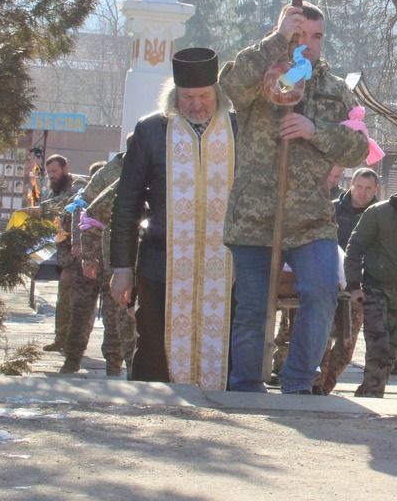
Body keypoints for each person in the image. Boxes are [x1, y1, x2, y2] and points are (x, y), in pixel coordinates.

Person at [220, 4, 368, 394]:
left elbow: (358, 148)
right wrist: (275, 42)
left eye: (316, 36)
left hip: (310, 219)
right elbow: (231, 88)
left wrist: (314, 129)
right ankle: (245, 386)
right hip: (255, 216)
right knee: (253, 307)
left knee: (321, 293)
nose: (310, 44)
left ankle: (299, 383)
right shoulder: (261, 75)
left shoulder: (335, 89)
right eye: (300, 34)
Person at [109, 48, 237, 388]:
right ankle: (150, 422)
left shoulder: (237, 129)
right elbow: (127, 203)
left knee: (224, 347)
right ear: (174, 94)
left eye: (203, 96)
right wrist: (121, 268)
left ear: (217, 93)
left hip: (224, 268)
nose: (195, 105)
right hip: (160, 263)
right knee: (153, 347)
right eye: (187, 97)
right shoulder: (151, 130)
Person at [344, 183, 397, 397]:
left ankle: (368, 389)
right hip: (375, 287)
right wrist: (354, 286)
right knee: (378, 344)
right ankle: (373, 394)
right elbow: (355, 247)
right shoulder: (378, 212)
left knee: (392, 350)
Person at [60, 156, 136, 376]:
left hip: (118, 256)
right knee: (82, 309)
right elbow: (82, 208)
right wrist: (80, 247)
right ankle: (72, 360)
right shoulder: (108, 175)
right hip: (95, 249)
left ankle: (115, 366)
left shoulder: (144, 169)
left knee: (116, 312)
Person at [313, 167, 379, 393]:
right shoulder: (331, 209)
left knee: (346, 342)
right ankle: (316, 382)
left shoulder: (379, 214)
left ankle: (328, 383)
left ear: (375, 189)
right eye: (359, 186)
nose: (362, 193)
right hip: (328, 280)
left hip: (357, 288)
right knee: (321, 336)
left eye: (368, 188)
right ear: (351, 184)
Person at [23, 154, 86, 352]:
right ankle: (61, 339)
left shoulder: (78, 184)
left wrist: (41, 209)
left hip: (85, 252)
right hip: (65, 254)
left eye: (55, 171)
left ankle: (77, 343)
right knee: (64, 295)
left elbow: (68, 202)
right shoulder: (52, 190)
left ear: (65, 168)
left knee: (84, 302)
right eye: (49, 172)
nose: (51, 175)